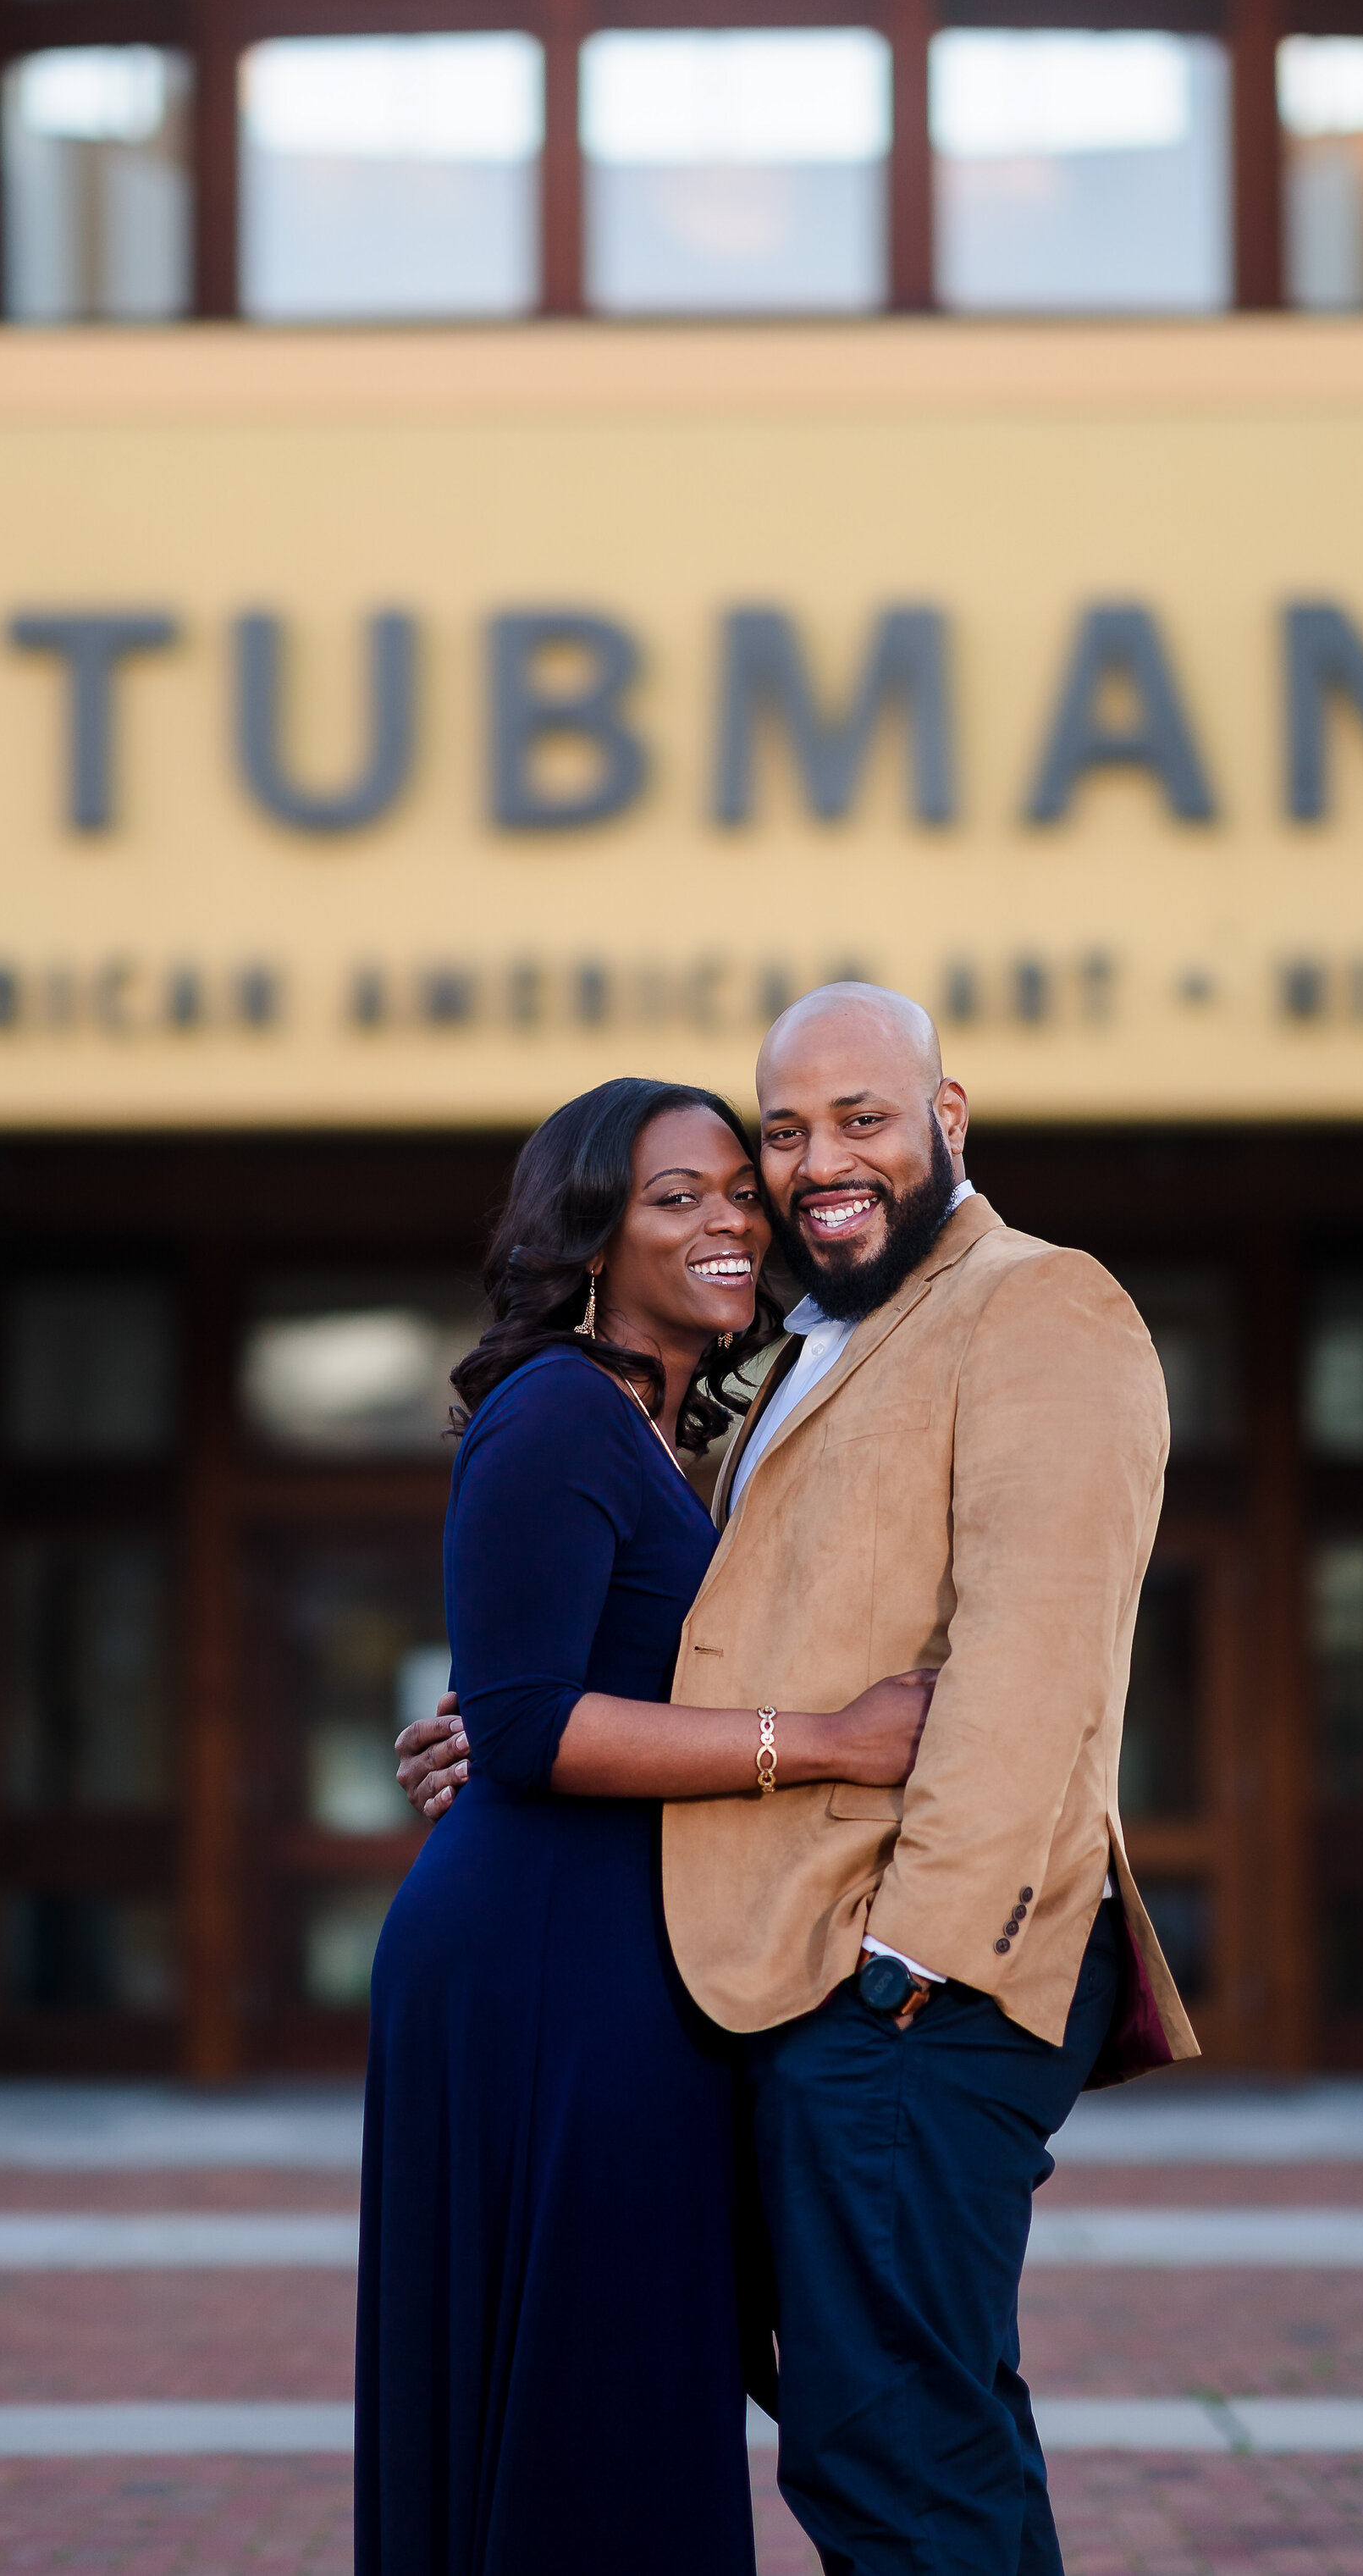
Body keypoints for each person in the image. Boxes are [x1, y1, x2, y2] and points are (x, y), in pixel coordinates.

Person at [400, 987, 1200, 2576]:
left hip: (906, 1982)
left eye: (862, 1119)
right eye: (785, 1131)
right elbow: (700, 1634)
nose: (816, 1160)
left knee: (886, 2448)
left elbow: (1030, 1669)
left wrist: (915, 1965)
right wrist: (517, 1713)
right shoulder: (775, 1366)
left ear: (946, 1118)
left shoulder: (1040, 1307)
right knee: (917, 2422)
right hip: (780, 1984)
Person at [356, 1074, 938, 2576]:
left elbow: (550, 1688)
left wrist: (509, 1718)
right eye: (679, 1198)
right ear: (593, 1238)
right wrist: (833, 1741)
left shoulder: (675, 1429)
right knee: (595, 2389)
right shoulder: (555, 1407)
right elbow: (541, 1723)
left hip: (620, 1942)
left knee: (623, 2379)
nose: (733, 1218)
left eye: (741, 1192)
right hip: (547, 1963)